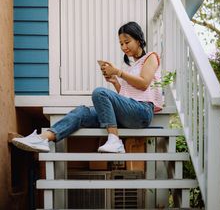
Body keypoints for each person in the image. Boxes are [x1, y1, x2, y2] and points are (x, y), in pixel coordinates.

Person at [12, 21, 163, 154]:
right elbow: (127, 98)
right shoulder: (130, 67)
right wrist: (115, 82)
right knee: (83, 111)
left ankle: (115, 140)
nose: (124, 47)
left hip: (142, 112)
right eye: (121, 43)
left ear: (138, 39)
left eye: (127, 42)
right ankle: (43, 138)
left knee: (100, 93)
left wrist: (118, 72)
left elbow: (143, 84)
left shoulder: (150, 57)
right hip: (127, 113)